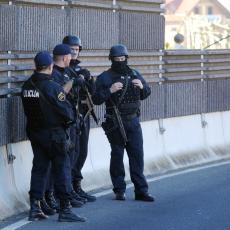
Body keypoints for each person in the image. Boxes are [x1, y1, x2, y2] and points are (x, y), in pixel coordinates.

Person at [21, 51, 86, 222]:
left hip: (36, 133)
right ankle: (65, 209)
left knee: (39, 169)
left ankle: (35, 207)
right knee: (62, 169)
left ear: (35, 66)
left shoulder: (27, 86)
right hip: (54, 135)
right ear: (50, 66)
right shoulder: (52, 86)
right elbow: (67, 112)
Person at [92, 44, 154, 202]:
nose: (120, 61)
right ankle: (119, 190)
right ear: (111, 60)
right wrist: (110, 90)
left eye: (122, 59)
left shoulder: (135, 73)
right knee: (117, 155)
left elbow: (146, 92)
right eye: (117, 59)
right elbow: (96, 99)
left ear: (127, 58)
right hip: (115, 122)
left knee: (137, 156)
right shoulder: (105, 77)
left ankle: (141, 191)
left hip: (133, 121)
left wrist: (142, 87)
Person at [46, 44, 86, 208]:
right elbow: (59, 94)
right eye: (70, 55)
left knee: (72, 158)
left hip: (72, 120)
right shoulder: (53, 74)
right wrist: (73, 82)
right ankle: (55, 196)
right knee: (61, 162)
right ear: (64, 57)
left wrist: (85, 81)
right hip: (59, 124)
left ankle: (68, 193)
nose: (72, 57)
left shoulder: (69, 71)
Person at [62, 35, 96, 202]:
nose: (75, 52)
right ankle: (68, 191)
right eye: (71, 49)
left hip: (83, 114)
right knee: (71, 154)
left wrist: (88, 80)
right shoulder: (61, 70)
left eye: (77, 49)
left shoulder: (81, 69)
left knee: (82, 152)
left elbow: (92, 94)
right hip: (69, 116)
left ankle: (76, 185)